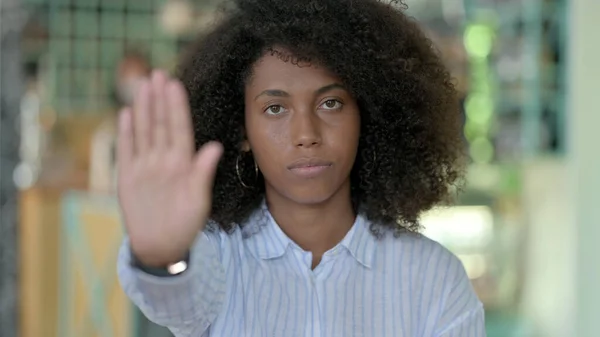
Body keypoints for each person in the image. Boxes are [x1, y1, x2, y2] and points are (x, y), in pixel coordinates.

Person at [116, 0, 485, 336]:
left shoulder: (434, 279)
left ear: (366, 114)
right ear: (241, 129)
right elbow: (175, 301)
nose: (306, 134)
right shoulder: (217, 256)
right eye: (275, 108)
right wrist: (165, 260)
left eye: (330, 103)